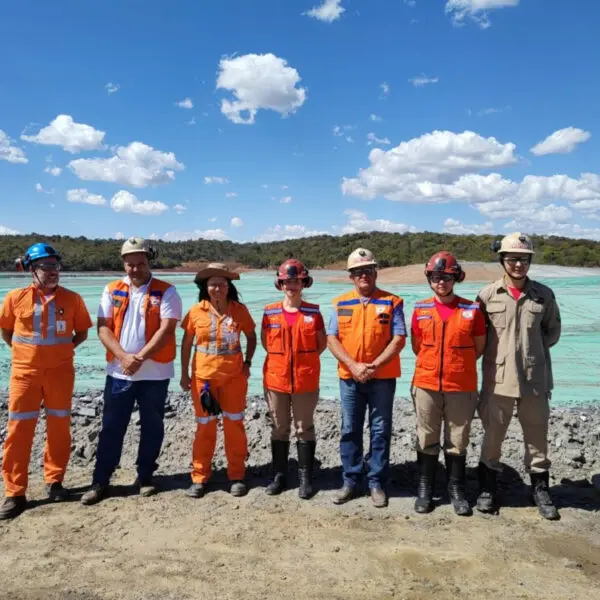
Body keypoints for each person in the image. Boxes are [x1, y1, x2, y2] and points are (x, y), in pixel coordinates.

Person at [81, 238, 182, 505]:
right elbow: (103, 327)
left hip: (155, 374)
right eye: (130, 264)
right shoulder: (111, 289)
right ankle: (100, 480)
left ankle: (145, 476)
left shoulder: (167, 291)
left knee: (153, 426)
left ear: (149, 261)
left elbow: (166, 329)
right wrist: (124, 357)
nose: (135, 269)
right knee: (112, 427)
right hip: (119, 372)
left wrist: (139, 358)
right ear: (123, 263)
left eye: (140, 263)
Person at [0, 243, 92, 519]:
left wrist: (59, 354)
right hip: (24, 375)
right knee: (18, 431)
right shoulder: (14, 298)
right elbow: (6, 332)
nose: (53, 272)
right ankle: (14, 492)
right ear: (31, 269)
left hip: (60, 375)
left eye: (56, 266)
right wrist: (29, 355)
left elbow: (82, 333)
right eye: (46, 266)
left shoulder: (73, 299)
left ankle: (55, 482)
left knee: (59, 428)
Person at [476, 233, 562, 520]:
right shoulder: (487, 296)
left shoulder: (544, 295)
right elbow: (479, 336)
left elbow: (552, 332)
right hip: (497, 380)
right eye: (512, 258)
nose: (518, 264)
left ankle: (540, 489)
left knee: (537, 438)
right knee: (492, 438)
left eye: (523, 259)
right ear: (502, 260)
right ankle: (487, 489)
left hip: (534, 379)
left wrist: (530, 352)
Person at [327, 248, 406, 508]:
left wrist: (372, 365)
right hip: (349, 378)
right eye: (358, 272)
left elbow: (398, 339)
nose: (364, 276)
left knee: (380, 431)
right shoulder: (339, 303)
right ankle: (350, 480)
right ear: (351, 276)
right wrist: (353, 365)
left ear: (375, 273)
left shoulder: (393, 301)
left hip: (382, 378)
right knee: (350, 429)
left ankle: (376, 482)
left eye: (368, 271)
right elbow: (332, 339)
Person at [410, 251, 486, 516]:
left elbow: (478, 347)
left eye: (447, 277)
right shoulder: (420, 309)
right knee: (427, 437)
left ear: (456, 278)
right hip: (427, 383)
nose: (441, 282)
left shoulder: (472, 310)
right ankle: (425, 488)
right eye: (436, 277)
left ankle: (456, 488)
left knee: (458, 439)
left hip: (461, 386)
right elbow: (417, 346)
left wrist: (455, 365)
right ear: (429, 279)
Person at [180, 263, 257, 498]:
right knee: (205, 427)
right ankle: (200, 477)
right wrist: (184, 374)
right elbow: (185, 344)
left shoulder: (239, 311)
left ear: (228, 287)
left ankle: (236, 475)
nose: (217, 288)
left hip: (234, 379)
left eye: (222, 284)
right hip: (204, 381)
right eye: (213, 284)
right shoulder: (195, 312)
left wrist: (247, 364)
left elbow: (252, 337)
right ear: (206, 287)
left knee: (234, 426)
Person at [261, 259, 327, 499]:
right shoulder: (269, 312)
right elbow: (265, 343)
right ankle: (279, 475)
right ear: (280, 284)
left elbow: (321, 345)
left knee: (304, 428)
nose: (291, 286)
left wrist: (302, 363)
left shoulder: (314, 312)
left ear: (303, 283)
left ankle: (305, 478)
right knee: (279, 428)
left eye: (295, 281)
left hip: (305, 381)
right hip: (276, 380)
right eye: (287, 281)